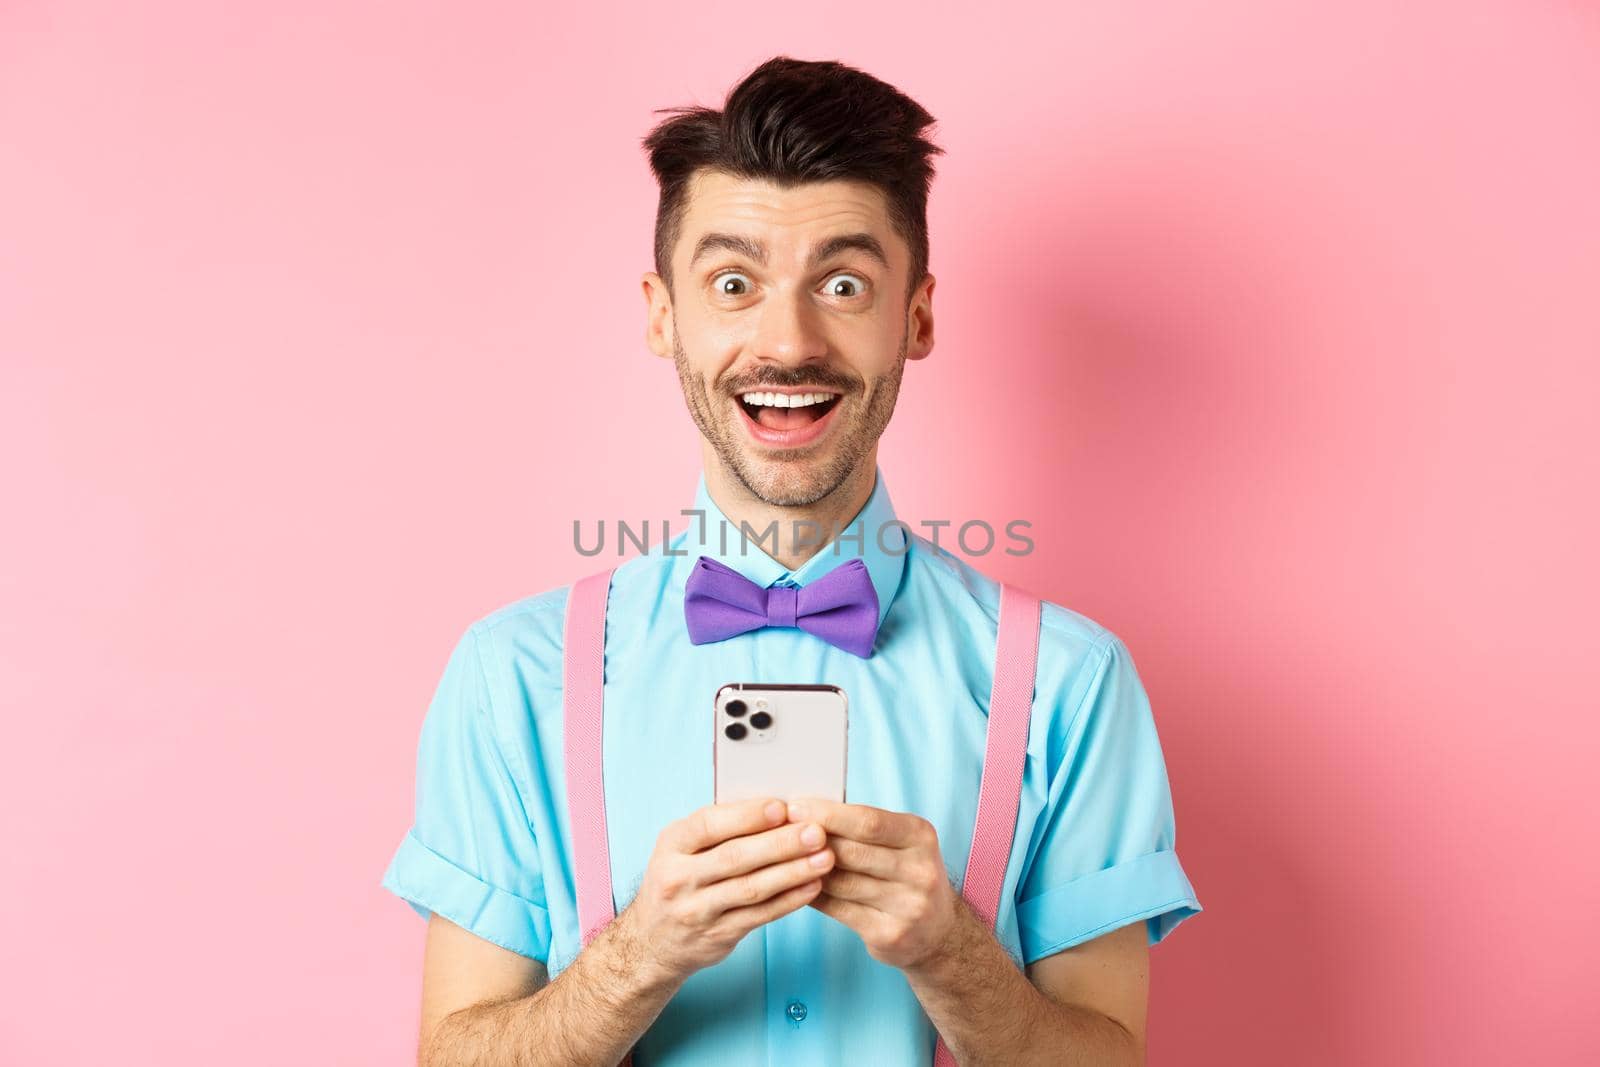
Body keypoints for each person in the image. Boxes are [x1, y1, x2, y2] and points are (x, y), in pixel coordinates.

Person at [381, 54, 1202, 1066]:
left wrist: (950, 952)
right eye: (733, 282)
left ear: (917, 315)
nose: (788, 340)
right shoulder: (512, 674)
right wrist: (640, 951)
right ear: (661, 312)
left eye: (843, 283)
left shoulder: (1070, 683)